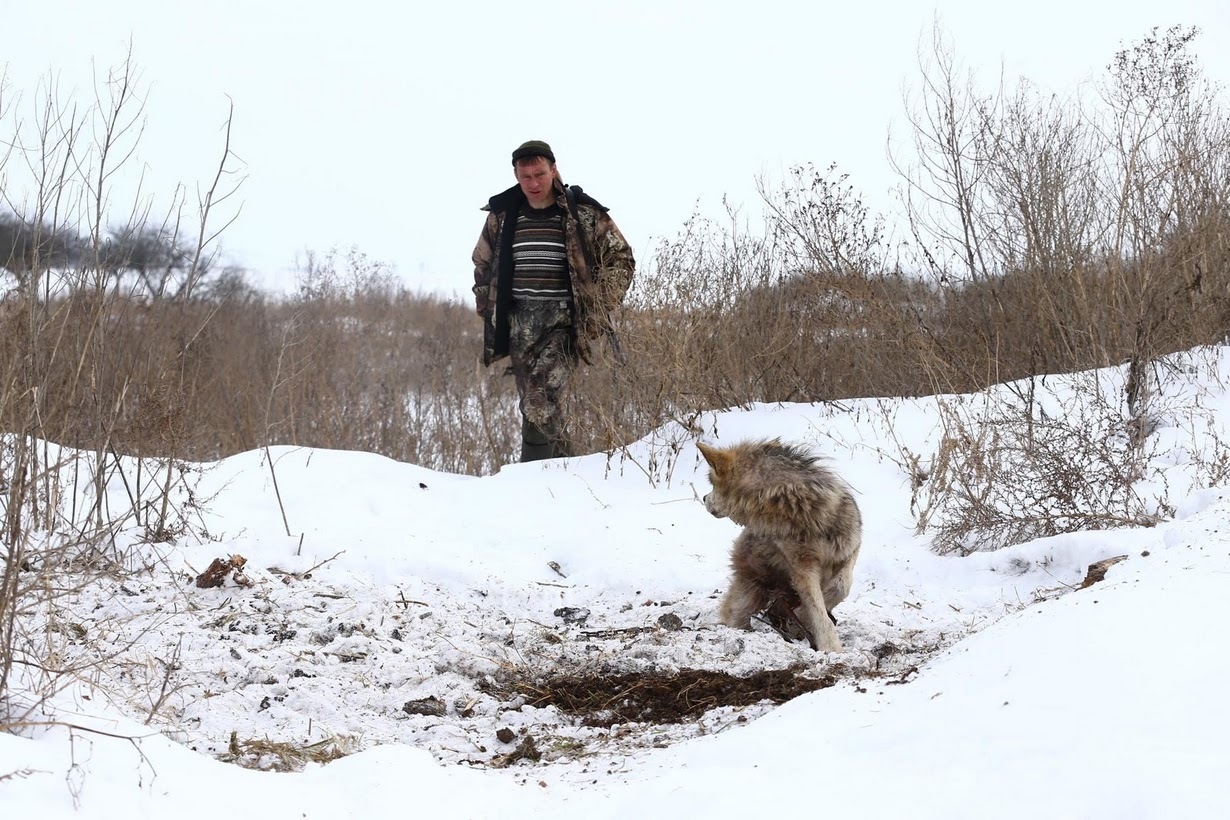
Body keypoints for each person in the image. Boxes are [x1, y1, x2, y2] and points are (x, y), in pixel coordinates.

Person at [472, 140, 636, 462]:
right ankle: (563, 477)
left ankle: (529, 480)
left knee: (540, 399)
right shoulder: (502, 216)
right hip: (519, 324)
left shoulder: (582, 213)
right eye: (526, 176)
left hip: (563, 323)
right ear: (516, 175)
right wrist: (486, 308)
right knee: (541, 407)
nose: (533, 183)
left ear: (554, 170)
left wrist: (598, 305)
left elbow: (621, 258)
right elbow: (482, 263)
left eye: (539, 174)